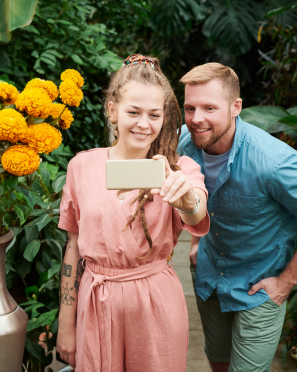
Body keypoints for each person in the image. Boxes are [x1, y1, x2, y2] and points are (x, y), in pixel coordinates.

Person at [55, 54, 210, 371]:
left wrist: (186, 201)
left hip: (155, 304)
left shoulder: (180, 170)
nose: (144, 123)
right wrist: (66, 323)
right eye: (133, 112)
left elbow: (197, 211)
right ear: (112, 110)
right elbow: (73, 246)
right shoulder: (81, 166)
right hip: (95, 302)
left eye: (154, 114)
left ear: (164, 116)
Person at [179, 63, 297, 372]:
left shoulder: (274, 162)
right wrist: (195, 241)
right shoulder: (183, 143)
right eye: (190, 108)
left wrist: (286, 282)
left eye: (209, 107)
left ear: (236, 107)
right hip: (209, 276)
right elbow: (198, 193)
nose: (197, 118)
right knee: (217, 360)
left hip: (259, 286)